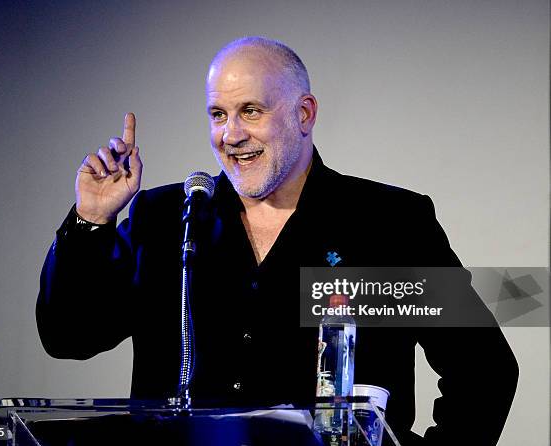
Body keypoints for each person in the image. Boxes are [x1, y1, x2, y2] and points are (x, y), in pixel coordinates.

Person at [37, 37, 518, 445]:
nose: (231, 134)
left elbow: (484, 370)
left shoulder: (388, 224)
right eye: (218, 114)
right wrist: (90, 221)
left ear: (304, 113)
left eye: (250, 111)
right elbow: (70, 336)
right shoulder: (167, 220)